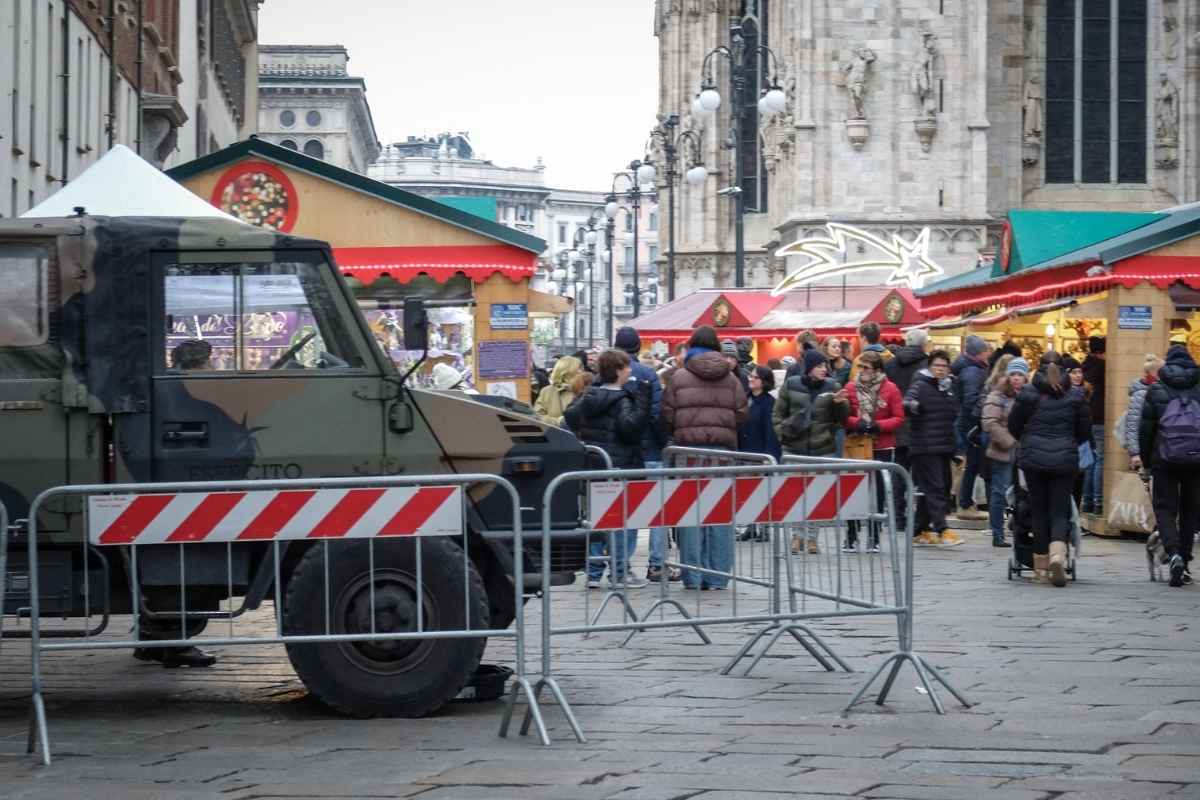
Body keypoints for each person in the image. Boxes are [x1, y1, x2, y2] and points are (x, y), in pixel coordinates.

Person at [662, 325, 749, 590]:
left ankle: (693, 575)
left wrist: (682, 429)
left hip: (687, 452)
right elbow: (743, 412)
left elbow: (667, 412)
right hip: (721, 453)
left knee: (690, 515)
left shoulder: (679, 377)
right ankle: (719, 577)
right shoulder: (731, 378)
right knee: (720, 514)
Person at [564, 349, 651, 589]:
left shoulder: (590, 395)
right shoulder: (622, 400)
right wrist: (643, 400)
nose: (630, 370)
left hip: (595, 466)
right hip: (620, 465)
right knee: (620, 521)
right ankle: (620, 571)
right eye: (626, 367)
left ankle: (593, 572)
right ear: (618, 371)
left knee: (598, 520)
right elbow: (630, 428)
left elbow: (569, 416)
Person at [1008, 353, 1090, 586]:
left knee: (1039, 511)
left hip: (1034, 459)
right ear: (1064, 370)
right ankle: (1058, 555)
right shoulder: (1076, 396)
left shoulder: (1028, 394)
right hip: (1064, 460)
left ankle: (1041, 569)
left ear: (1039, 368)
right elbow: (1084, 432)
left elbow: (1014, 426)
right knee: (1060, 511)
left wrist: (1028, 438)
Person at [774, 348, 850, 553]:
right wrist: (783, 433)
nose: (824, 369)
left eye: (825, 365)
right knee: (793, 493)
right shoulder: (792, 384)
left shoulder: (832, 386)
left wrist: (841, 404)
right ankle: (796, 536)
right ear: (808, 367)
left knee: (816, 495)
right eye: (819, 365)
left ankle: (812, 538)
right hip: (794, 448)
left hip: (822, 448)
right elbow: (778, 414)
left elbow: (842, 418)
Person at [1138, 344, 1200, 588]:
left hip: (1164, 459)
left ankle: (1172, 552)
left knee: (1165, 508)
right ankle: (1184, 560)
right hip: (1196, 459)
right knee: (1190, 511)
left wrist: (1145, 460)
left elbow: (1146, 431)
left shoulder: (1156, 390)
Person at [613, 327, 672, 583]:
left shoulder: (607, 374)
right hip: (651, 452)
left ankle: (621, 566)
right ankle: (657, 564)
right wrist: (664, 443)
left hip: (621, 455)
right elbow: (657, 415)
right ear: (638, 348)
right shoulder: (648, 374)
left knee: (625, 512)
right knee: (657, 511)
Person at [843, 350, 904, 551]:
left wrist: (878, 425)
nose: (862, 371)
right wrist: (856, 422)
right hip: (857, 443)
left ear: (877, 370)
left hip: (881, 444)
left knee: (877, 492)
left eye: (866, 367)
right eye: (860, 367)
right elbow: (843, 415)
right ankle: (851, 535)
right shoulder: (851, 387)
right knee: (853, 490)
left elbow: (898, 417)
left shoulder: (891, 389)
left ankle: (874, 536)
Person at [903, 349, 964, 547]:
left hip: (944, 445)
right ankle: (942, 528)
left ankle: (920, 530)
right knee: (935, 487)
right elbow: (908, 401)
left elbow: (954, 416)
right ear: (930, 367)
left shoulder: (948, 387)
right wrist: (914, 406)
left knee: (941, 487)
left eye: (944, 366)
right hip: (924, 445)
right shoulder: (921, 385)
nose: (940, 369)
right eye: (937, 365)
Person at [981, 356, 1028, 548]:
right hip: (1004, 451)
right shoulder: (998, 395)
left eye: (1020, 374)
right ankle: (997, 533)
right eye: (1013, 374)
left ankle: (1020, 529)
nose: (1016, 378)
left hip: (1026, 452)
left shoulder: (1029, 395)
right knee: (999, 492)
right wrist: (1010, 442)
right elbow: (989, 422)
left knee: (1022, 492)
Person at [885, 328, 930, 521]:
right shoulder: (927, 364)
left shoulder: (890, 364)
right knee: (921, 475)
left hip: (898, 424)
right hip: (920, 424)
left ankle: (898, 516)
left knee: (898, 472)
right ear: (923, 344)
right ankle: (920, 519)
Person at [952, 335, 993, 520]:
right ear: (979, 353)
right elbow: (971, 401)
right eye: (985, 351)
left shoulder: (969, 368)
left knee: (970, 466)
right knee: (972, 465)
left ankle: (965, 503)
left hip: (966, 424)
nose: (988, 354)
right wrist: (979, 419)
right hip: (971, 426)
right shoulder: (973, 372)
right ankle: (966, 504)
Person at [1081, 336, 1107, 513]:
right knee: (1100, 459)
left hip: (1090, 417)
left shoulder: (1085, 366)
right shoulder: (1102, 366)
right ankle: (1098, 502)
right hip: (1100, 416)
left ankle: (1087, 501)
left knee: (1091, 460)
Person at [1124, 354, 1163, 471]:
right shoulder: (1141, 394)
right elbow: (1132, 425)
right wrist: (1135, 453)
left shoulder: (1159, 391)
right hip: (1145, 452)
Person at [739, 365, 782, 462]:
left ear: (764, 381)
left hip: (759, 457)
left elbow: (771, 433)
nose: (751, 379)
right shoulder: (744, 399)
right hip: (741, 454)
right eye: (750, 376)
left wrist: (768, 458)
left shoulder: (770, 403)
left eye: (755, 377)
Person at [533, 355, 583, 427]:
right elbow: (538, 416)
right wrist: (559, 422)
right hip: (554, 436)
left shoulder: (586, 391)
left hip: (580, 437)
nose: (581, 372)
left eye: (581, 369)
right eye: (578, 368)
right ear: (567, 372)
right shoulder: (547, 391)